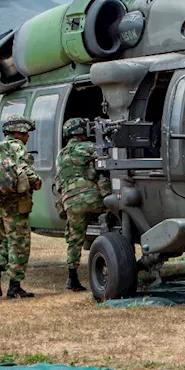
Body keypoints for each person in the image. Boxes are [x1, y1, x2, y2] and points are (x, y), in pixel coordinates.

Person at [0, 115, 41, 299]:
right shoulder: (17, 148)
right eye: (26, 133)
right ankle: (14, 287)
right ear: (18, 132)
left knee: (6, 242)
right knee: (20, 245)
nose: (28, 137)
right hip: (15, 206)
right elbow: (24, 171)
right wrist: (36, 180)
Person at [57, 118, 112, 292]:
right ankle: (109, 235)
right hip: (90, 197)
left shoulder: (61, 154)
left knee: (75, 239)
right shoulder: (88, 147)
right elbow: (106, 160)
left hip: (69, 201)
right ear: (82, 132)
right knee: (117, 210)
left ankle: (72, 277)